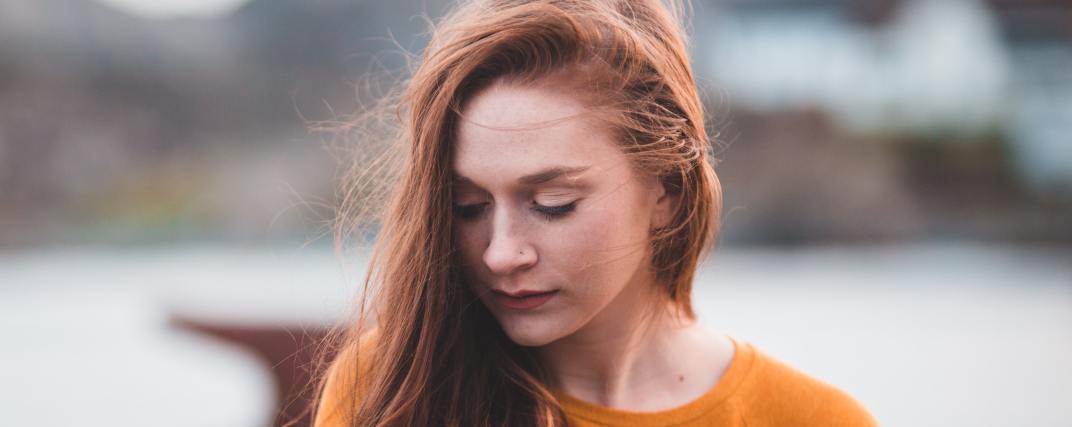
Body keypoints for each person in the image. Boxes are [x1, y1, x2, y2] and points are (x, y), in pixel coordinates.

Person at [310, 0, 877, 425]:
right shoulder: (388, 392)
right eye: (468, 207)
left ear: (666, 191)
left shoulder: (813, 418)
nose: (502, 253)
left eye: (553, 205)